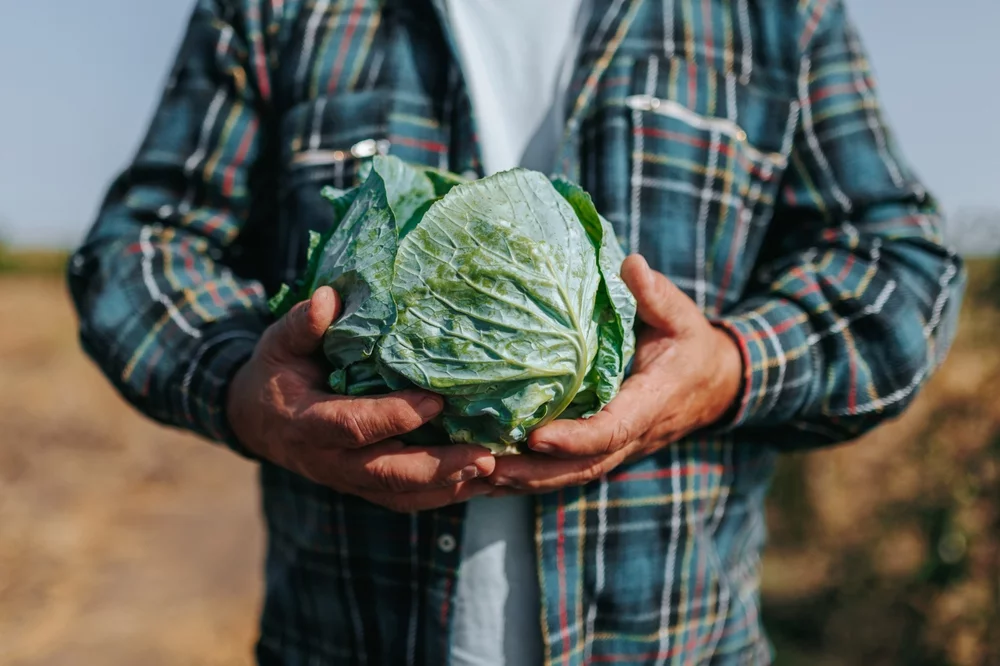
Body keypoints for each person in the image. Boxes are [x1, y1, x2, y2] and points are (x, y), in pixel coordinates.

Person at [68, 0, 965, 664]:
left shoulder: (773, 16)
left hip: (678, 640)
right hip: (344, 638)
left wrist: (726, 369)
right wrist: (242, 389)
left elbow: (899, 267)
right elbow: (139, 248)